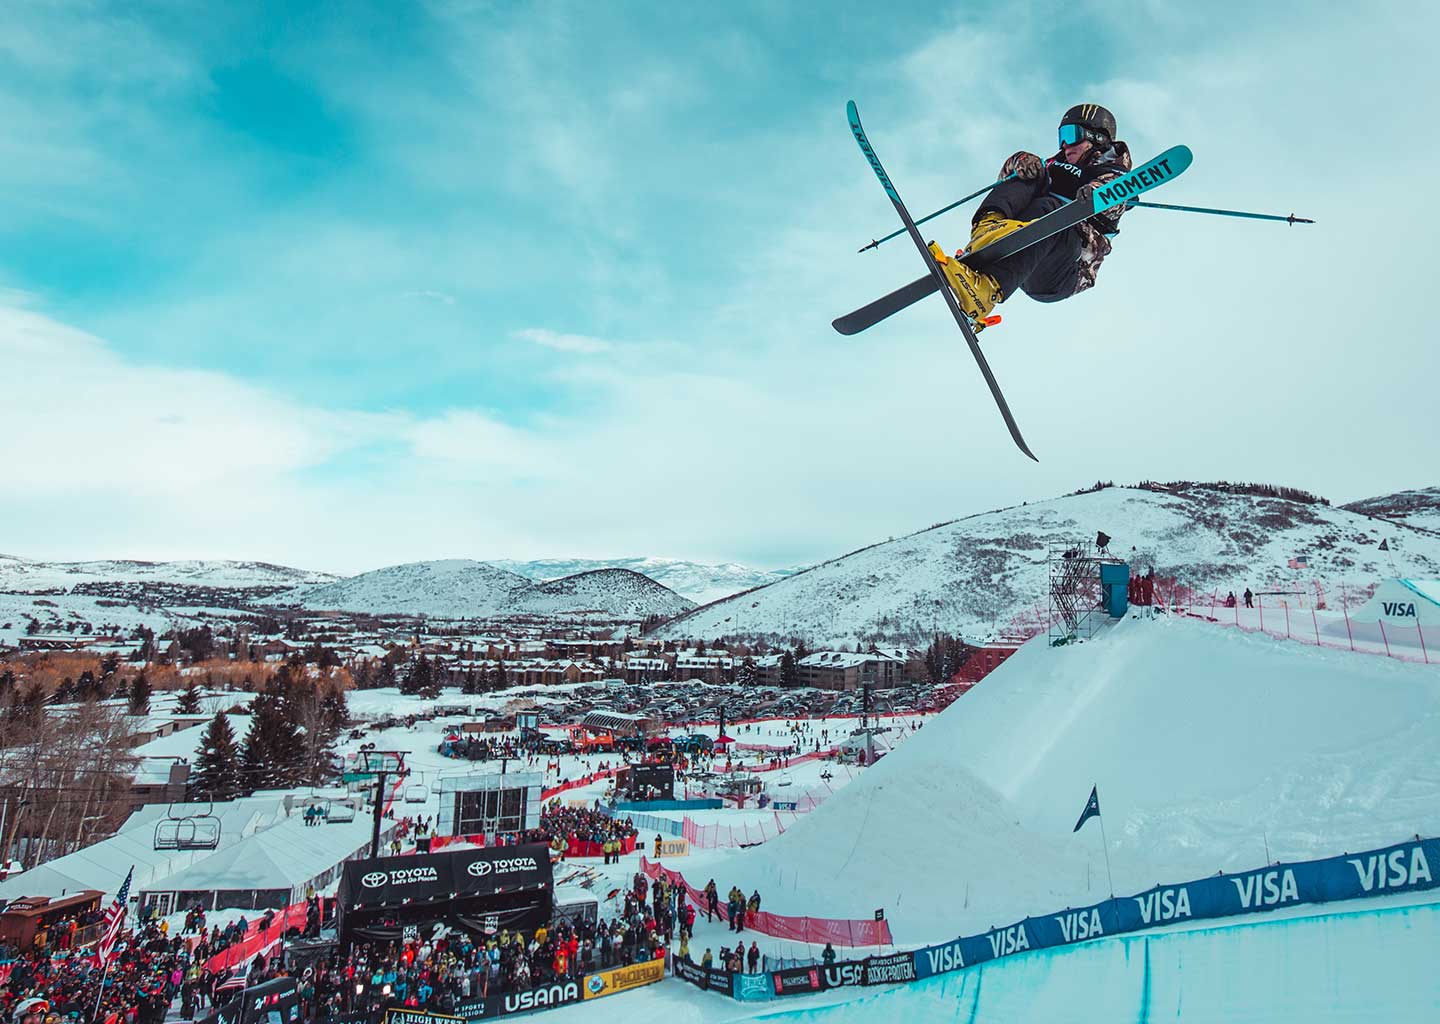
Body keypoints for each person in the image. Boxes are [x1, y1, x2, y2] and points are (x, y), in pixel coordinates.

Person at [933, 104, 1133, 323]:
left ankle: (990, 288)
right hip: (1024, 260)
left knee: (1051, 210)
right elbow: (1006, 181)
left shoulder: (1114, 174)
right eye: (1061, 137)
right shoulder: (1054, 165)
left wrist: (1097, 194)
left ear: (1096, 137)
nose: (1065, 145)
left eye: (1071, 135)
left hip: (1063, 272)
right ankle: (988, 231)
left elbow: (1116, 203)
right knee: (1031, 173)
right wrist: (1020, 161)